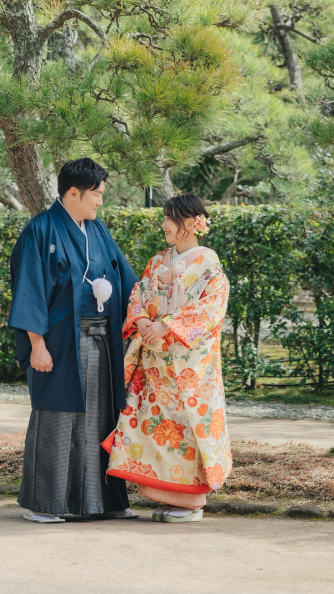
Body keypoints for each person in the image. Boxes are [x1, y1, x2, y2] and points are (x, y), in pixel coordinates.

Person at [8, 157, 139, 523]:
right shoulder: (40, 230)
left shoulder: (98, 231)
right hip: (60, 343)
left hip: (101, 340)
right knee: (57, 417)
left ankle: (105, 502)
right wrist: (37, 344)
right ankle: (45, 504)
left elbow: (126, 281)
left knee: (101, 418)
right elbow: (29, 289)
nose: (100, 202)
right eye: (96, 195)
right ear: (73, 192)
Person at [103, 193, 231, 524]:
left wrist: (167, 325)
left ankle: (191, 504)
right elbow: (139, 293)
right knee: (158, 429)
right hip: (157, 365)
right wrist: (143, 321)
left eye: (169, 219)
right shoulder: (159, 260)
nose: (163, 225)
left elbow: (210, 310)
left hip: (190, 368)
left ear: (190, 224)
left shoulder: (209, 265)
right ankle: (164, 497)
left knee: (189, 428)